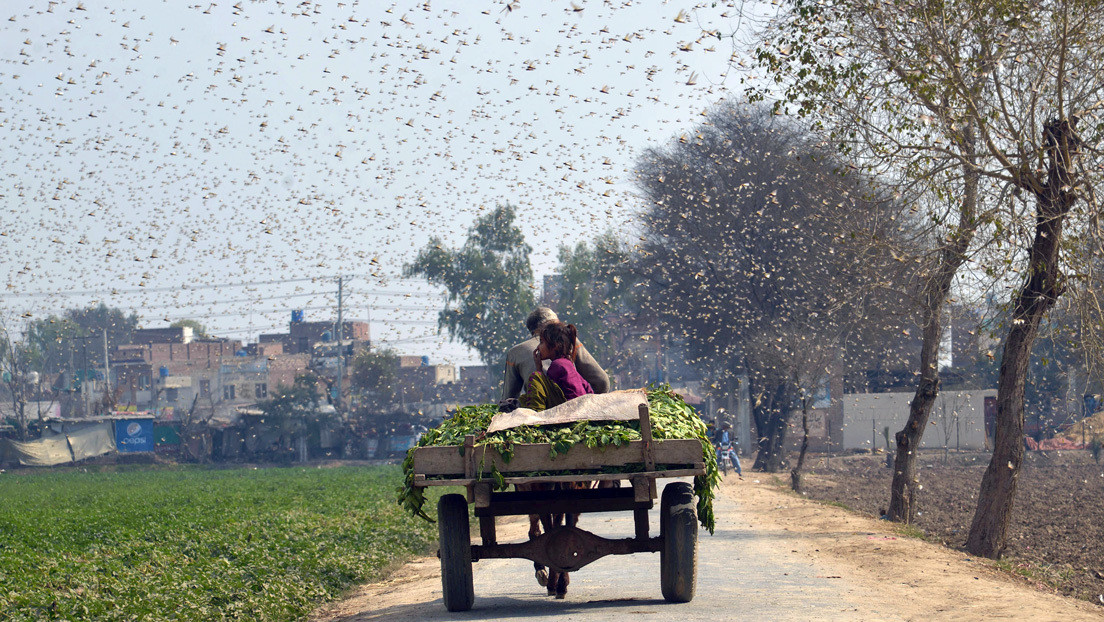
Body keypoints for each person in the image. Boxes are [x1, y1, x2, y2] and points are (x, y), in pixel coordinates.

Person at [500, 307, 608, 404]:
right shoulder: (569, 341)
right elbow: (602, 381)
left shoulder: (515, 352)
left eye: (541, 342)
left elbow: (508, 398)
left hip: (549, 411)